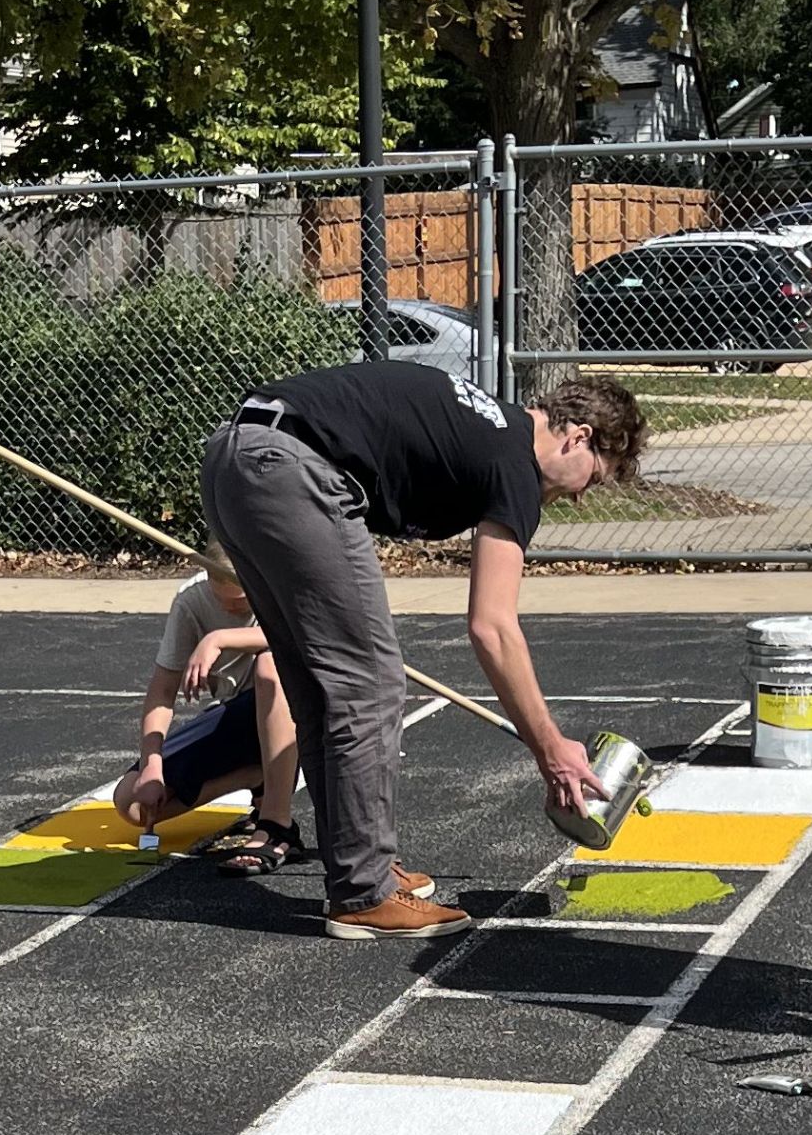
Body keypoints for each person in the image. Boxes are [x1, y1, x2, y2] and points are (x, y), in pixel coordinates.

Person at [197, 361, 643, 942]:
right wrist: (551, 748)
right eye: (595, 478)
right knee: (371, 686)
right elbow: (493, 627)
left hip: (236, 457)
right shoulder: (514, 460)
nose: (582, 497)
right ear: (577, 436)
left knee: (316, 681)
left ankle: (361, 870)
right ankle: (365, 894)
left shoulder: (493, 428)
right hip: (291, 469)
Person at [112, 550, 310, 874]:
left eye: (242, 601)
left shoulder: (279, 583)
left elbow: (300, 634)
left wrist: (218, 638)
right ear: (207, 579)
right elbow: (162, 690)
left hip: (297, 714)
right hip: (235, 718)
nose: (232, 608)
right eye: (224, 601)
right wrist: (152, 765)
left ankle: (276, 824)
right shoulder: (191, 601)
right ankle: (255, 774)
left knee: (270, 664)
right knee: (130, 803)